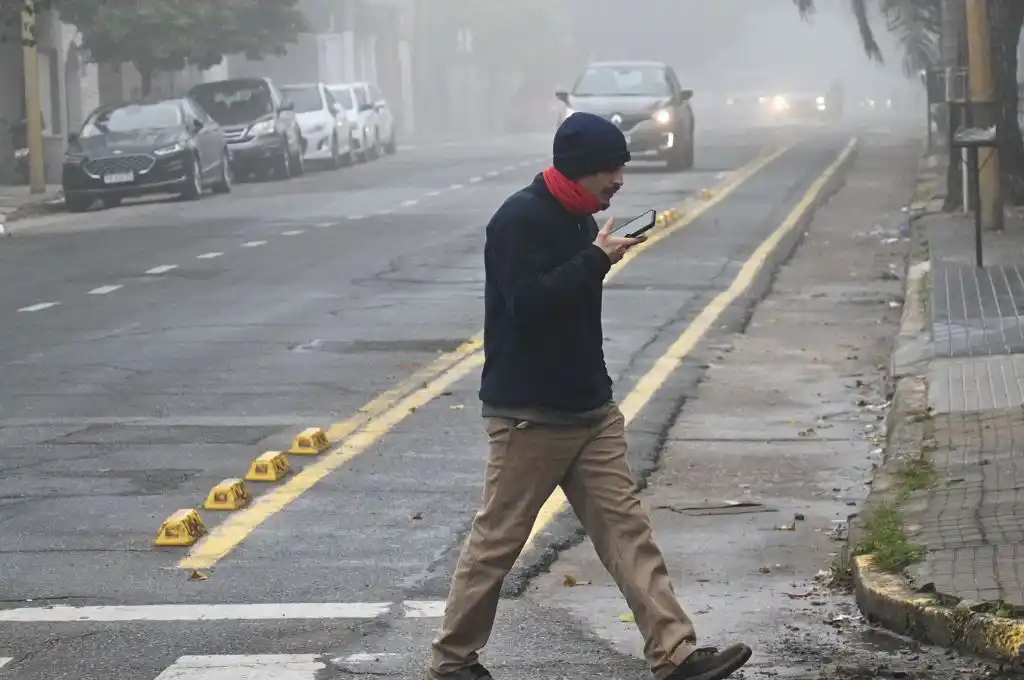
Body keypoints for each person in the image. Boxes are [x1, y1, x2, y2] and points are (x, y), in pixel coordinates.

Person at [426, 112, 753, 680]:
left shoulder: (582, 222)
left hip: (590, 410)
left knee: (628, 531)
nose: (619, 181)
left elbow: (574, 306)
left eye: (620, 167)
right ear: (577, 171)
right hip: (530, 413)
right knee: (498, 541)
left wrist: (594, 258)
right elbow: (527, 304)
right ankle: (453, 661)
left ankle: (675, 653)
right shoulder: (520, 220)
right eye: (610, 169)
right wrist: (596, 260)